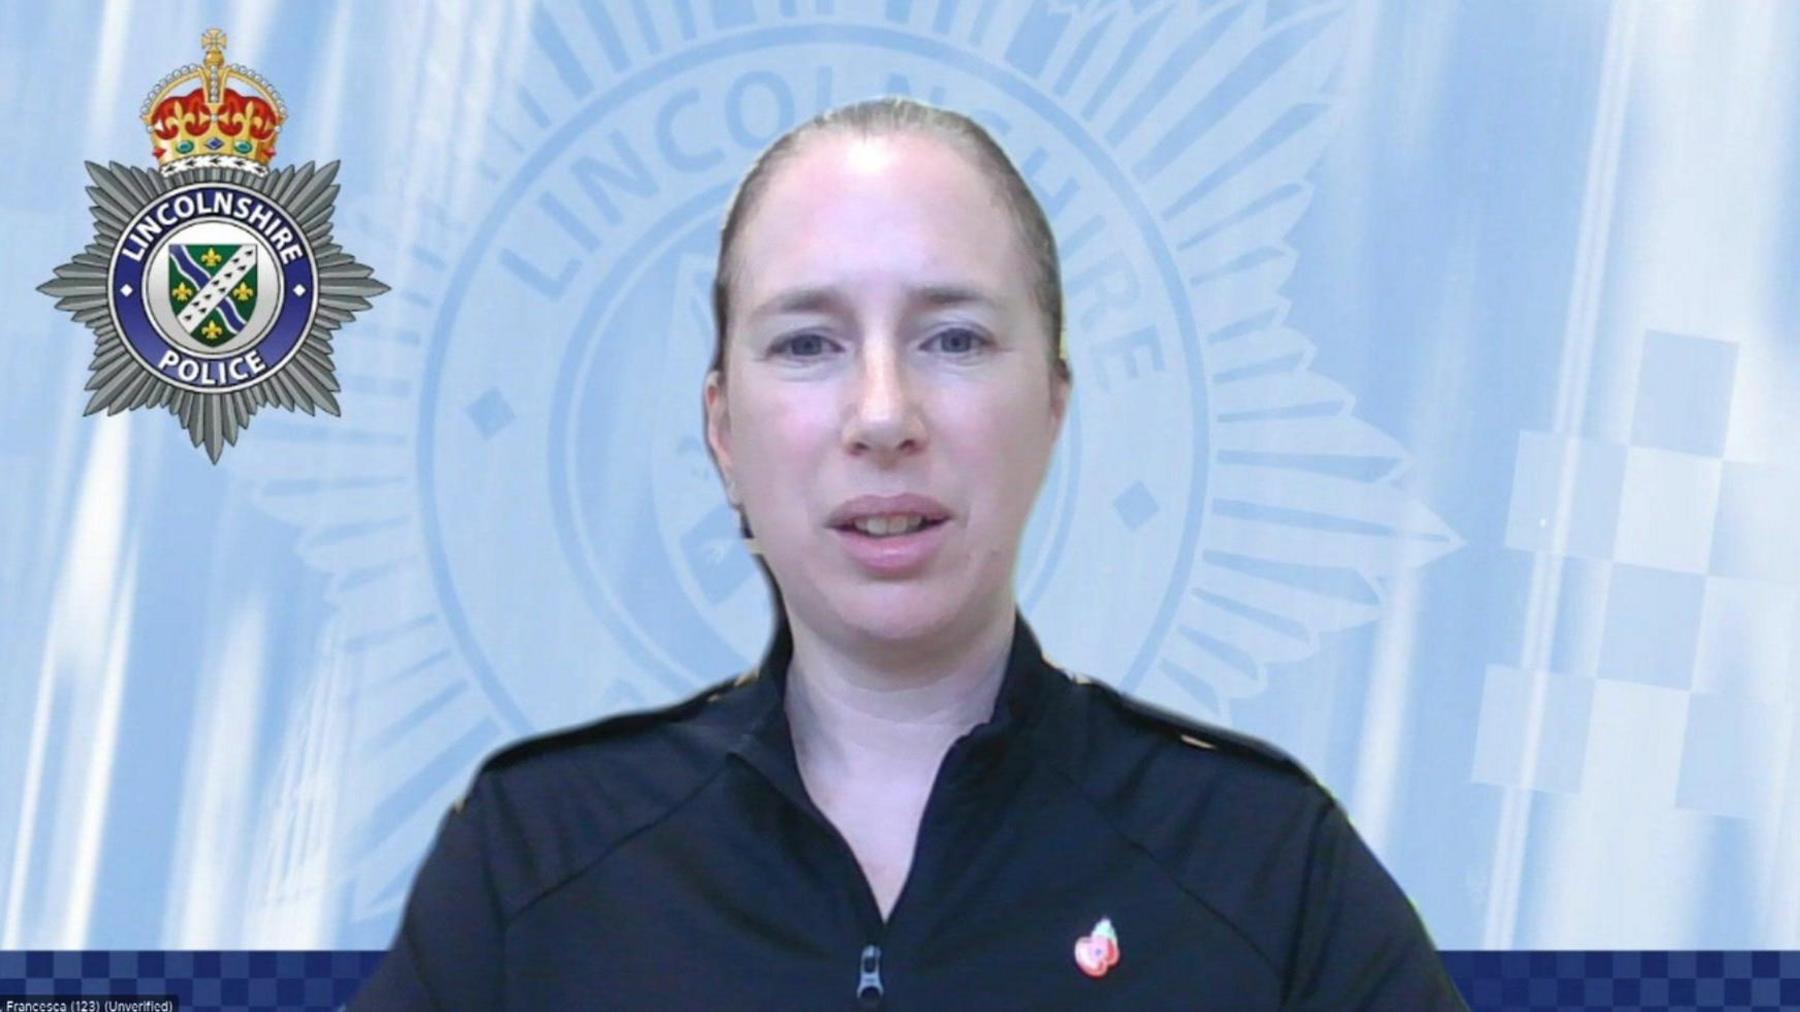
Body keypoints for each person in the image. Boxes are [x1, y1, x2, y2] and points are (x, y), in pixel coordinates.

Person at [352, 97, 1469, 1010]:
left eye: (954, 338)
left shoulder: (1265, 868)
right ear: (724, 431)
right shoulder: (533, 860)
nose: (883, 413)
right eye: (806, 343)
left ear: (1052, 406)